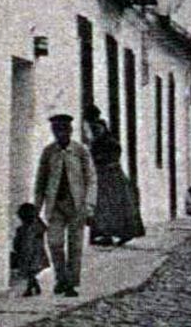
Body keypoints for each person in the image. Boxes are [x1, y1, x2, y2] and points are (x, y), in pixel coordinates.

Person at [33, 113, 96, 297]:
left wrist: (89, 204)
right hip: (55, 205)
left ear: (70, 130)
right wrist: (37, 208)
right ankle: (61, 278)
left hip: (77, 205)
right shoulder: (48, 152)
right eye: (56, 130)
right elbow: (41, 182)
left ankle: (71, 283)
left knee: (75, 245)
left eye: (63, 129)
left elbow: (91, 178)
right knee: (55, 243)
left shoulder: (80, 151)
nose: (60, 133)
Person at [84, 105, 145, 246]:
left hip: (107, 173)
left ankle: (108, 234)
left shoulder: (98, 130)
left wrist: (95, 153)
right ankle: (115, 233)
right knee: (116, 204)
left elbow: (104, 149)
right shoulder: (103, 129)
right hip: (111, 171)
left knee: (107, 204)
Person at [11, 202, 50, 297]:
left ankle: (30, 288)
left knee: (29, 272)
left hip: (29, 255)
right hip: (36, 255)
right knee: (30, 273)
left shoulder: (26, 229)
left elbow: (24, 244)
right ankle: (34, 287)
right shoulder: (37, 227)